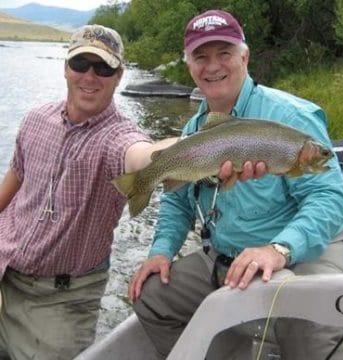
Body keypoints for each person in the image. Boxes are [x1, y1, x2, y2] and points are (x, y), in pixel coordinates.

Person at [0, 24, 261, 360]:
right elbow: (15, 180)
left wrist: (207, 148)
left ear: (119, 75)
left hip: (59, 300)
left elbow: (143, 154)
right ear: (66, 67)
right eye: (81, 65)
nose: (90, 77)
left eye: (104, 68)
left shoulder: (117, 136)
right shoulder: (36, 119)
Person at [129, 10, 343, 360]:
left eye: (224, 53)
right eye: (201, 56)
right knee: (152, 298)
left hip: (302, 252)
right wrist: (161, 251)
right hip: (227, 256)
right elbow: (178, 202)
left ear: (245, 56)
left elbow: (330, 198)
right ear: (188, 65)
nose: (212, 66)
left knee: (306, 320)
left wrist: (278, 250)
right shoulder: (195, 129)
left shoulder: (291, 118)